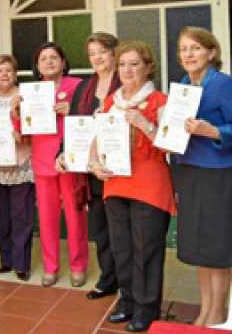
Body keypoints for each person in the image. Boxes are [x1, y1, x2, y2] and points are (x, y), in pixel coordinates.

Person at [90, 40, 175, 332]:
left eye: (134, 64)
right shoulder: (112, 100)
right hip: (115, 183)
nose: (127, 70)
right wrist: (93, 163)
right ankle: (127, 302)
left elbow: (170, 145)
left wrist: (144, 123)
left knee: (146, 250)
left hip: (149, 185)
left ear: (148, 67)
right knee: (122, 249)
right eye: (123, 64)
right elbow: (97, 137)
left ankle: (146, 308)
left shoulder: (160, 101)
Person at [170, 27, 232, 327]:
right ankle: (205, 308)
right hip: (189, 171)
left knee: (217, 244)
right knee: (199, 245)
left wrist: (214, 131)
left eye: (195, 48)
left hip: (217, 174)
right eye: (183, 49)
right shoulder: (182, 86)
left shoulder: (223, 84)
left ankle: (218, 311)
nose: (188, 54)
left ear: (211, 52)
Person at [13, 42, 87, 287]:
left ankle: (78, 266)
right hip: (43, 161)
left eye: (54, 57)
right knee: (46, 218)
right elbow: (21, 131)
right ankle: (51, 266)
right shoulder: (31, 91)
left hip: (71, 159)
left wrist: (74, 109)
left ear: (63, 62)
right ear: (37, 66)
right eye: (43, 58)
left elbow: (93, 117)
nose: (49, 61)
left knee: (76, 217)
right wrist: (16, 111)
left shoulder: (78, 87)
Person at [56, 32, 121, 299]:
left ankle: (126, 282)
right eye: (92, 53)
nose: (97, 58)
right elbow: (74, 126)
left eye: (102, 52)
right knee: (101, 228)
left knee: (122, 229)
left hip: (119, 168)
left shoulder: (125, 82)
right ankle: (108, 279)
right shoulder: (84, 87)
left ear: (114, 53)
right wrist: (63, 153)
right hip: (90, 170)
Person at [0, 54, 35, 282]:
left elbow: (37, 128)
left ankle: (22, 263)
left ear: (15, 73)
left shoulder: (26, 98)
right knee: (2, 217)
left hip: (21, 163)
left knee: (21, 217)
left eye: (8, 70)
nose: (4, 75)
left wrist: (22, 133)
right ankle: (6, 259)